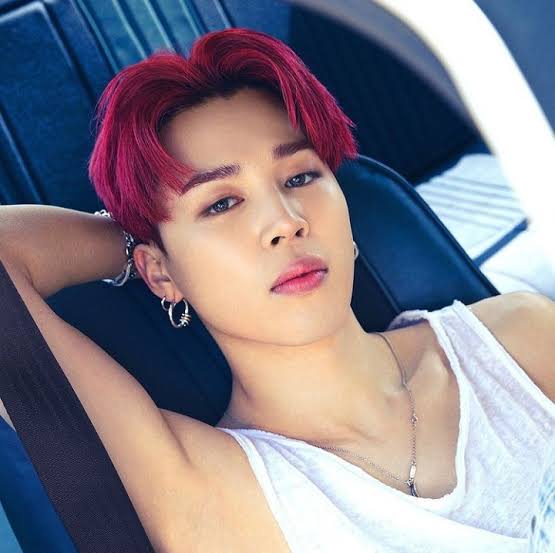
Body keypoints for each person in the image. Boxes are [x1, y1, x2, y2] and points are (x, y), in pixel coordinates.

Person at [0, 27, 554, 553]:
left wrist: (175, 239)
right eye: (221, 203)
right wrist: (150, 241)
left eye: (300, 177)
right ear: (160, 275)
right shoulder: (208, 492)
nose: (286, 221)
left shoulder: (518, 340)